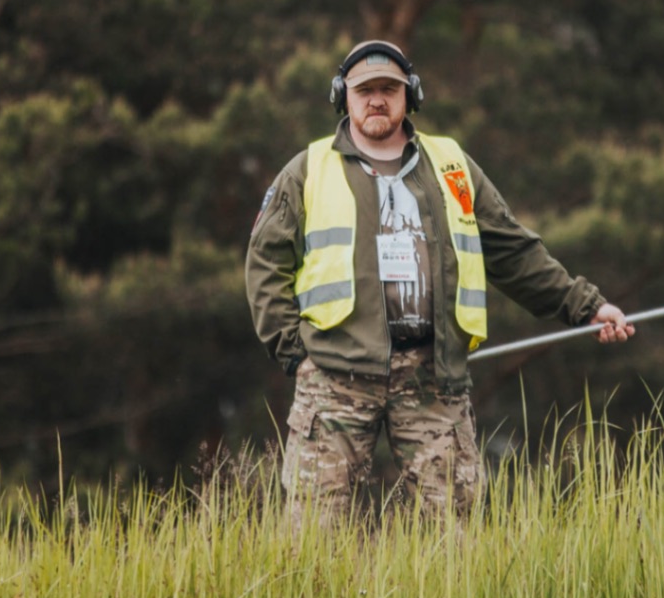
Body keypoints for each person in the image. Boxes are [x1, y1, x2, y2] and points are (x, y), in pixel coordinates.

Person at [245, 39, 634, 524]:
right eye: (364, 90)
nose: (376, 100)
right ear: (342, 96)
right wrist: (294, 354)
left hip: (434, 376)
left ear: (411, 95)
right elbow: (265, 264)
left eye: (389, 88)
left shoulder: (452, 165)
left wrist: (586, 305)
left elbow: (512, 250)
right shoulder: (307, 169)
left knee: (454, 533)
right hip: (333, 377)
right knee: (312, 533)